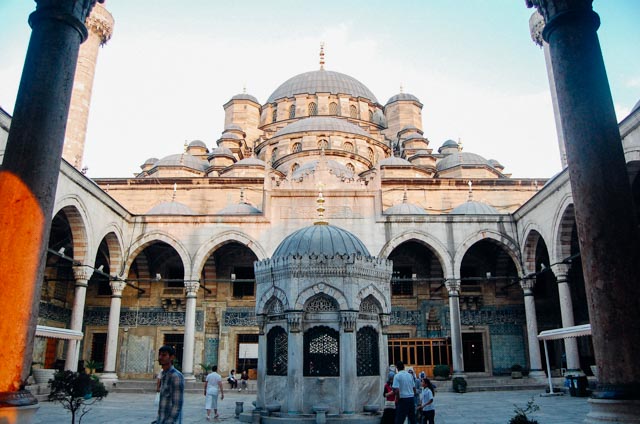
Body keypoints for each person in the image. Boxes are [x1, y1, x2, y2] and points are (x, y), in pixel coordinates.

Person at [154, 345, 184, 424]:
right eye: (159, 355)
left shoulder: (175, 376)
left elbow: (177, 404)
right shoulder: (164, 374)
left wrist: (169, 421)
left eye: (164, 355)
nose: (160, 357)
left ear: (172, 357)